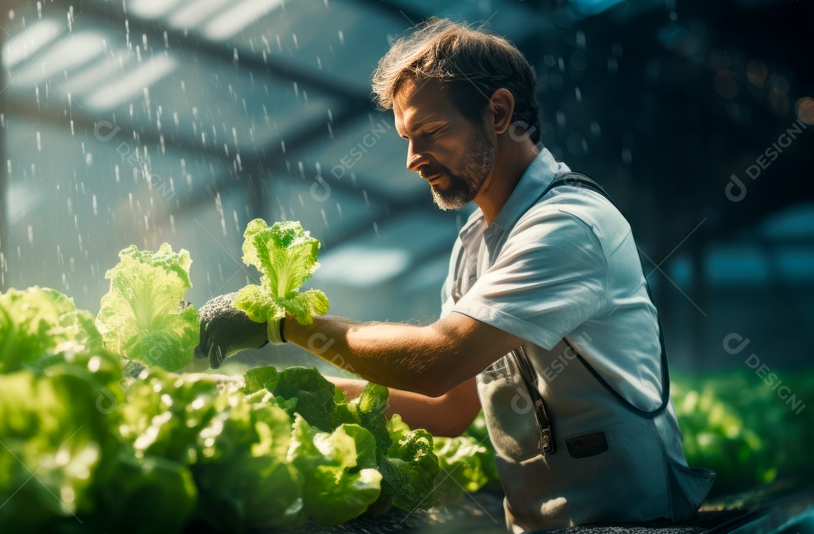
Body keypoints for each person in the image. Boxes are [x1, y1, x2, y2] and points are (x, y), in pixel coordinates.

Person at [194, 18, 715, 532]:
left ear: (499, 112)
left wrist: (284, 324)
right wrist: (290, 390)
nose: (412, 160)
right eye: (406, 137)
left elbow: (437, 361)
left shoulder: (567, 226)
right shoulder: (474, 242)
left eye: (431, 132)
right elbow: (447, 407)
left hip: (634, 522)